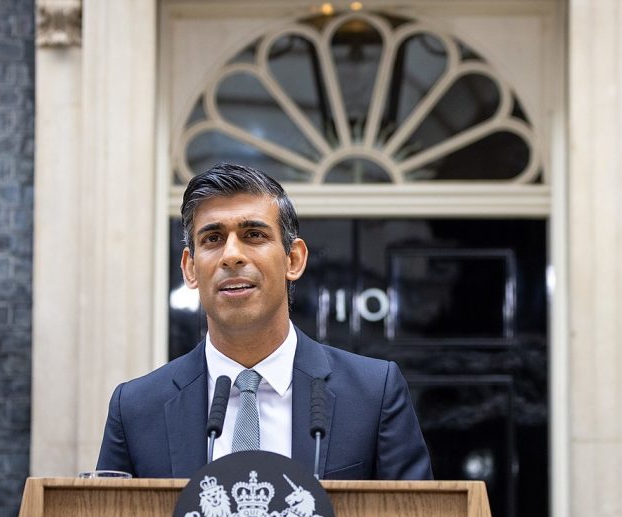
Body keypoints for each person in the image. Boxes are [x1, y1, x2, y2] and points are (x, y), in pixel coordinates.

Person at [97, 163, 432, 480]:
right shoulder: (137, 409)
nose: (231, 255)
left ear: (294, 259)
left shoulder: (374, 393)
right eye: (212, 239)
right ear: (189, 268)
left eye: (254, 235)